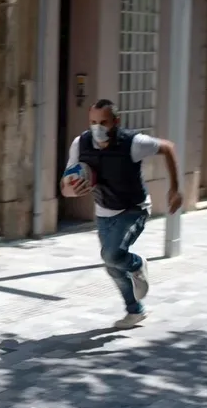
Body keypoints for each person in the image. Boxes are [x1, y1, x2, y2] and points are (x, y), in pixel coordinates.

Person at [61, 99, 183, 329]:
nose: (98, 128)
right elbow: (65, 183)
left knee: (112, 255)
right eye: (93, 122)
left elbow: (168, 147)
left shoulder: (133, 142)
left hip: (133, 208)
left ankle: (137, 264)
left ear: (116, 121)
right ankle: (135, 311)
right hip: (104, 211)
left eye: (104, 122)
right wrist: (70, 190)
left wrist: (175, 188)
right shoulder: (81, 144)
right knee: (112, 264)